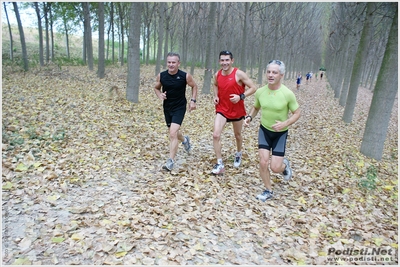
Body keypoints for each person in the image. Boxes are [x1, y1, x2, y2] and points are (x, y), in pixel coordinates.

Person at [244, 60, 301, 201]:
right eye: (268, 71)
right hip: (264, 131)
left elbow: (297, 113)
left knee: (275, 168)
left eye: (274, 72)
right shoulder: (261, 92)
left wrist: (284, 123)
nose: (270, 75)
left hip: (280, 134)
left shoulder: (287, 94)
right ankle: (268, 190)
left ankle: (284, 166)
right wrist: (250, 117)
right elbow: (256, 107)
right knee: (263, 162)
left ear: (281, 75)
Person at [211, 50, 257, 175]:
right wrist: (216, 96)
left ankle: (238, 153)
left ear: (232, 60)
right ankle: (219, 163)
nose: (224, 63)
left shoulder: (239, 74)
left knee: (237, 135)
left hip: (236, 110)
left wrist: (241, 96)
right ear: (219, 61)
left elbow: (253, 88)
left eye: (227, 60)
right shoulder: (217, 74)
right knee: (216, 135)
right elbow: (215, 84)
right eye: (222, 60)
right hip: (222, 109)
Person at [154, 52, 198, 171]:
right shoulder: (161, 76)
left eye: (174, 62)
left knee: (172, 133)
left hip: (179, 107)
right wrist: (160, 95)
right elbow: (156, 88)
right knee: (173, 132)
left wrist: (193, 100)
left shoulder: (185, 76)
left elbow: (194, 86)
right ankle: (185, 140)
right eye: (169, 62)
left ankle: (170, 161)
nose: (171, 65)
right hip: (167, 107)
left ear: (179, 63)